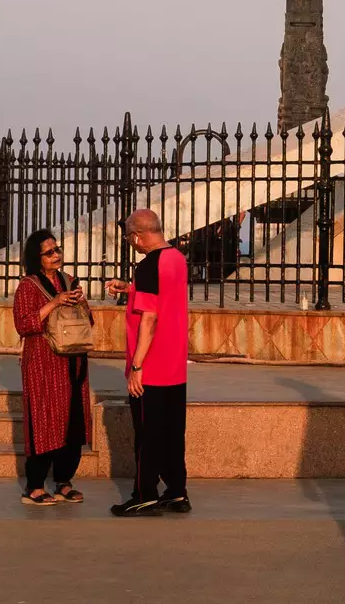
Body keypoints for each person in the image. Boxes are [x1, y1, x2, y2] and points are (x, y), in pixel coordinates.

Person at [105, 209, 189, 517]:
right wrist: (130, 289)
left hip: (151, 367)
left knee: (147, 434)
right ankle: (177, 492)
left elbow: (150, 319)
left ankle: (144, 494)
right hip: (175, 364)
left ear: (138, 236)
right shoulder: (176, 259)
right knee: (171, 432)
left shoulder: (148, 265)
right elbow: (162, 297)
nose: (130, 243)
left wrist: (137, 366)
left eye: (129, 237)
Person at [12, 228, 93, 506]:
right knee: (44, 421)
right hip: (44, 365)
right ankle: (34, 486)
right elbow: (24, 324)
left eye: (57, 250)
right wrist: (54, 302)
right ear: (37, 258)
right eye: (49, 252)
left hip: (73, 362)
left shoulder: (69, 280)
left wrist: (80, 301)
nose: (56, 255)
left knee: (73, 424)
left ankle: (64, 482)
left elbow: (87, 322)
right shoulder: (28, 286)